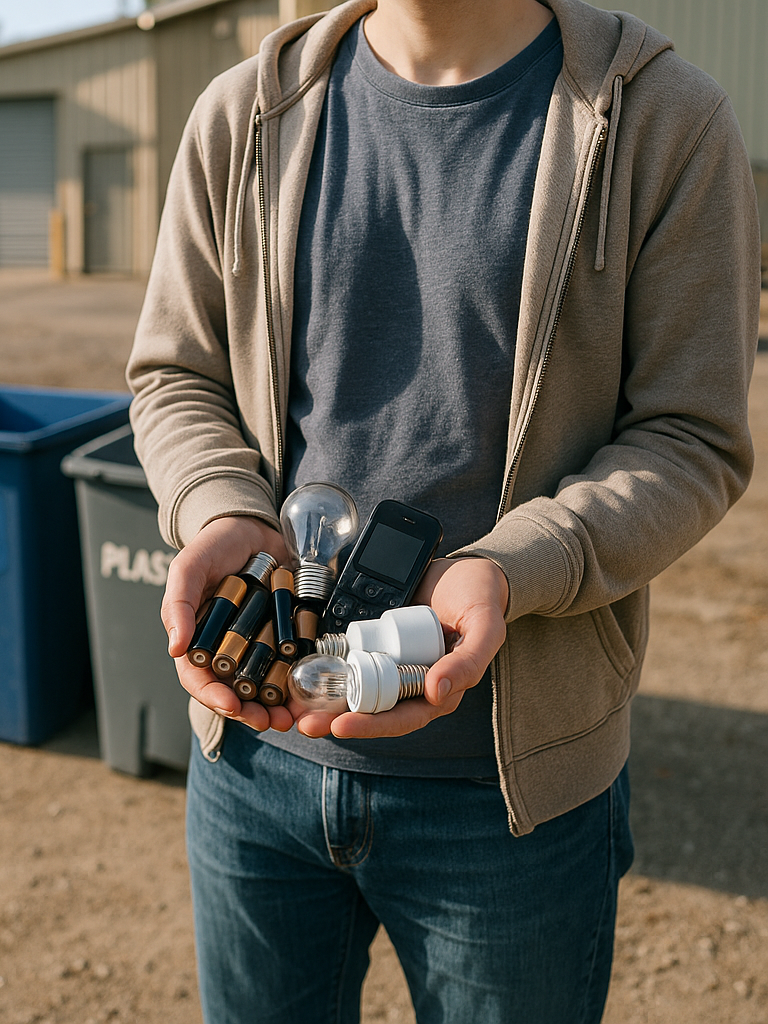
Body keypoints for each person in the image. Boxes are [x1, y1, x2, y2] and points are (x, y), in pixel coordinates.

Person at [126, 0, 760, 1019]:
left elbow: (691, 437)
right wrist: (218, 509)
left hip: (507, 800)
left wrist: (514, 565)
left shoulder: (662, 122)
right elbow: (174, 374)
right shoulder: (242, 113)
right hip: (251, 760)